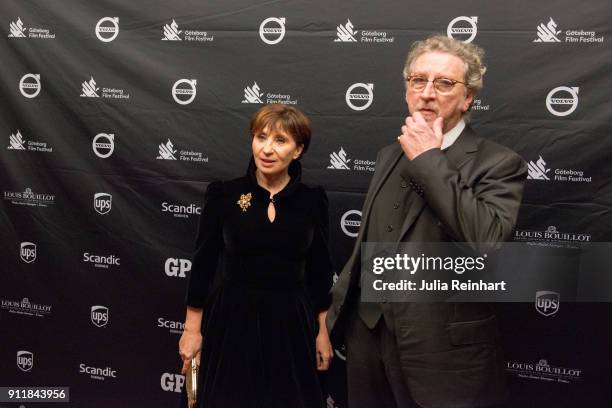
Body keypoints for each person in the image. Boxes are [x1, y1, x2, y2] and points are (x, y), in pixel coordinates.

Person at [326, 35, 528, 408]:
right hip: (367, 340)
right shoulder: (389, 154)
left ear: (468, 98)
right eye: (418, 81)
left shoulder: (499, 162)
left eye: (444, 83)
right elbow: (369, 243)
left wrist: (429, 159)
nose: (428, 93)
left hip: (442, 353)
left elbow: (485, 239)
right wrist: (338, 318)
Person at [179, 104, 334, 408]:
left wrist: (323, 333)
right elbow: (203, 265)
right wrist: (191, 330)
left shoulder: (312, 200)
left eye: (280, 140)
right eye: (260, 137)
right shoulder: (224, 194)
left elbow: (320, 272)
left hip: (291, 322)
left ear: (298, 150)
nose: (267, 149)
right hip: (232, 318)